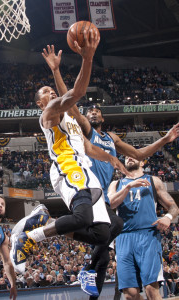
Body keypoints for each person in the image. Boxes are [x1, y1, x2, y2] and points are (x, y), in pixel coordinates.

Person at [41, 44, 179, 299]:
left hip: (104, 197)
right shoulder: (85, 129)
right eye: (89, 111)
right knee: (102, 243)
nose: (91, 112)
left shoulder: (112, 139)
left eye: (96, 111)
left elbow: (138, 154)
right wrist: (57, 72)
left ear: (102, 117)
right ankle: (56, 239)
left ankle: (90, 278)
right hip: (87, 188)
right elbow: (69, 100)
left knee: (105, 246)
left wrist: (165, 141)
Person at [11, 29, 128, 297]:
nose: (51, 93)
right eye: (46, 93)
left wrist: (111, 158)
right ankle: (29, 237)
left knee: (104, 232)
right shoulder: (50, 114)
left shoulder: (72, 121)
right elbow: (75, 93)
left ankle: (47, 221)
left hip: (86, 171)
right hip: (67, 168)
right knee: (83, 217)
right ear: (41, 103)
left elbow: (87, 147)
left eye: (52, 90)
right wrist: (87, 58)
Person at [108, 156, 179, 300]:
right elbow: (110, 203)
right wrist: (128, 187)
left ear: (142, 162)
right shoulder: (116, 184)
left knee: (151, 290)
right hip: (123, 238)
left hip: (147, 236)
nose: (128, 157)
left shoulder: (153, 181)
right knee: (130, 294)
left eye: (133, 155)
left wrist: (167, 217)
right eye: (126, 157)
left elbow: (173, 207)